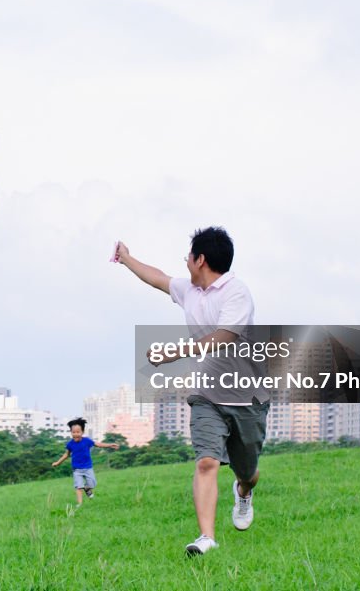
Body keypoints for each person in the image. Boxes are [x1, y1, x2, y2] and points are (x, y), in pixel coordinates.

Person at [113, 227, 269, 556]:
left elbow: (225, 335)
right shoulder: (191, 291)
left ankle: (243, 490)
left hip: (246, 396)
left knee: (248, 472)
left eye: (188, 256)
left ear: (200, 259)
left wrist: (173, 352)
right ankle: (206, 538)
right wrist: (126, 259)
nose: (185, 262)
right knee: (206, 462)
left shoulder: (236, 293)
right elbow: (158, 278)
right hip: (207, 397)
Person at [51, 417, 120, 506]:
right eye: (73, 432)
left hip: (88, 467)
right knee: (78, 487)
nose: (75, 434)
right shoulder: (70, 444)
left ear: (82, 432)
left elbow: (98, 444)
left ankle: (87, 489)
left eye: (78, 432)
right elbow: (66, 454)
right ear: (71, 432)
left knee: (92, 484)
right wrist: (58, 462)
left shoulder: (87, 441)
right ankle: (79, 504)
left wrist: (110, 445)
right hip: (76, 469)